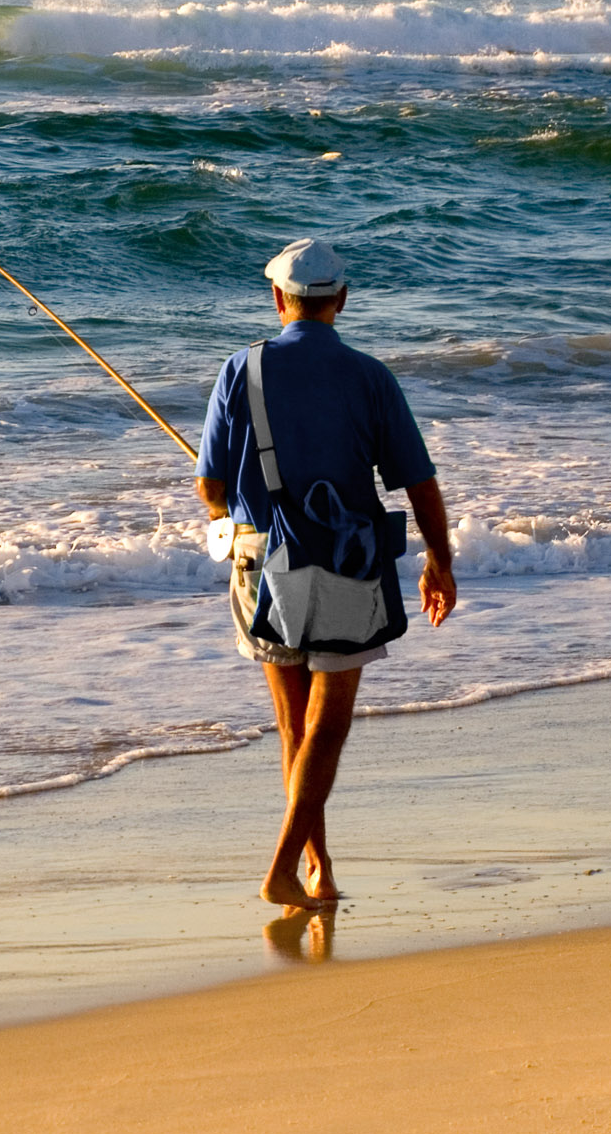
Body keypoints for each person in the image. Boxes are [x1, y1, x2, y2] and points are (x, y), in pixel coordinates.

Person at [194, 239, 456, 911]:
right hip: (344, 562)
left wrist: (233, 503)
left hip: (259, 561)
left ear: (278, 299)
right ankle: (285, 867)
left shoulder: (239, 370)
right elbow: (419, 485)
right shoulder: (369, 377)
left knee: (292, 730)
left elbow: (209, 486)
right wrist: (439, 561)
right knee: (326, 728)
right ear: (339, 301)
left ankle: (319, 866)